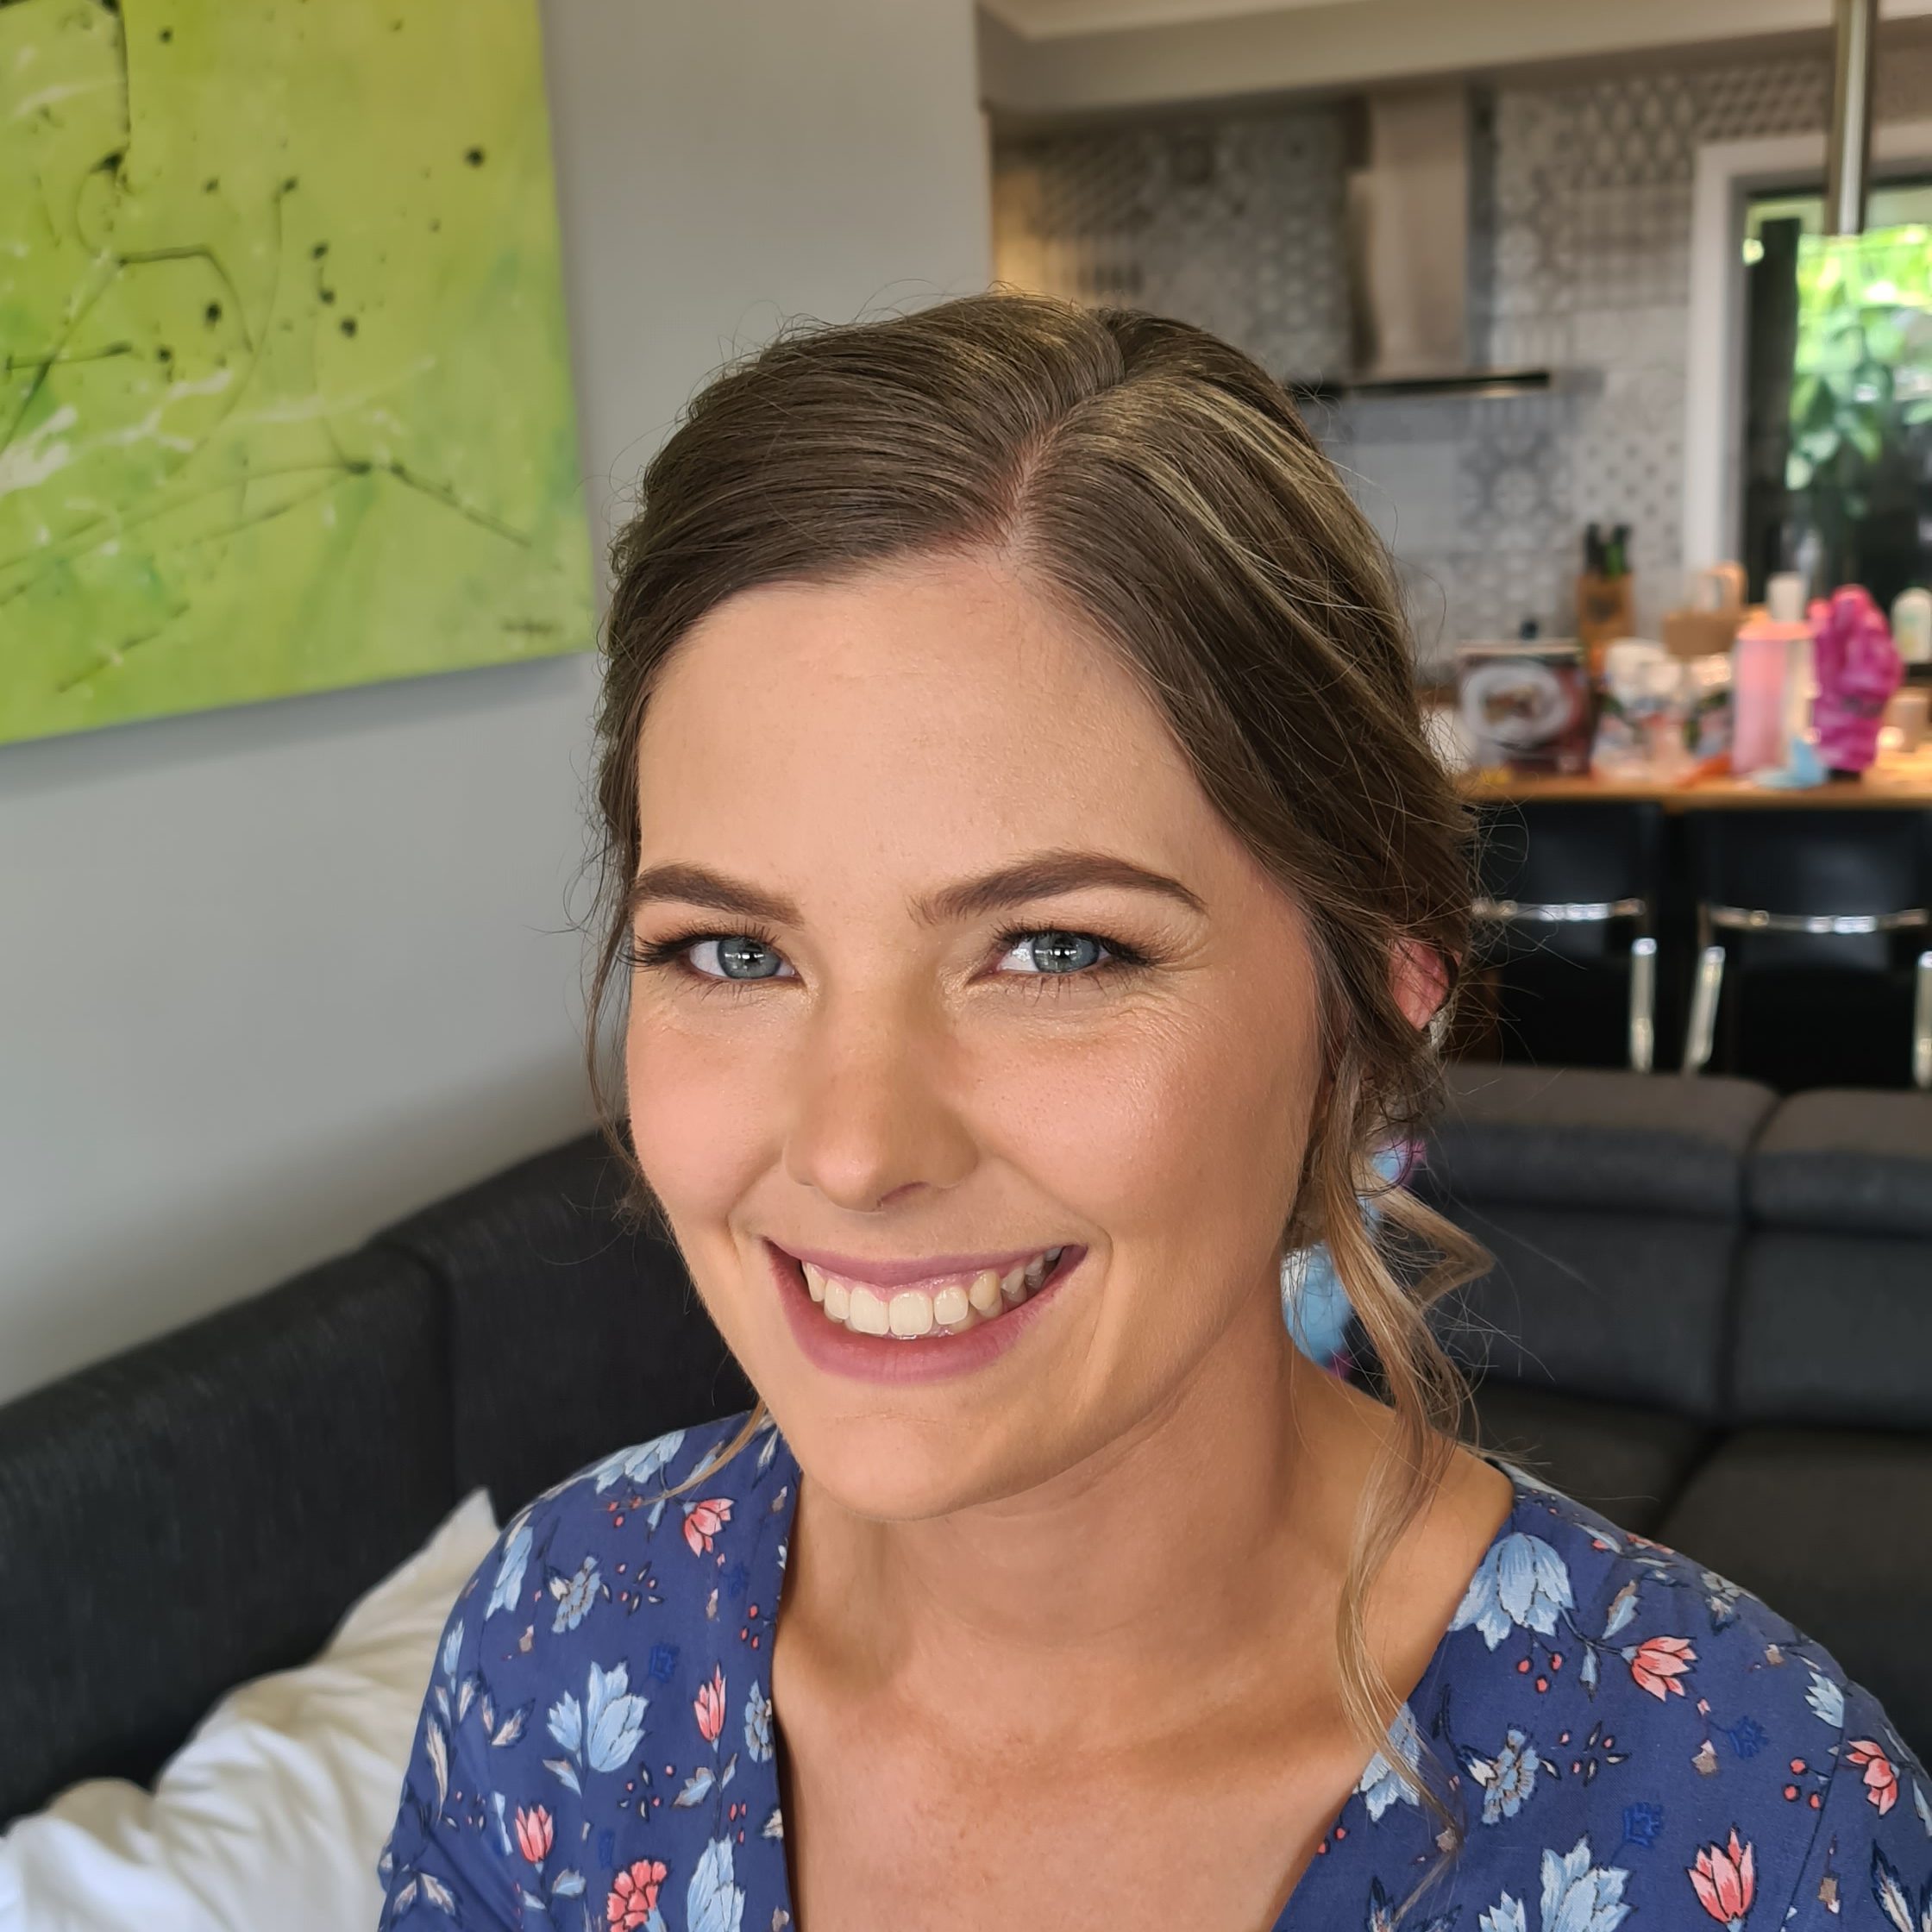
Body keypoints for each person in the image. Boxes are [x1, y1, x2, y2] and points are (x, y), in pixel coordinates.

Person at [376, 293, 1925, 1931]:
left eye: (1055, 949)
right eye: (733, 951)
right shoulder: (553, 1647)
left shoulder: (1760, 1828)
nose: (853, 1150)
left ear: (1379, 990)